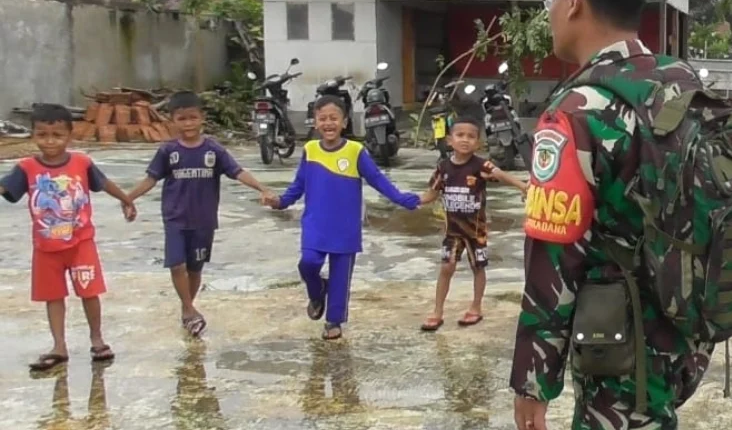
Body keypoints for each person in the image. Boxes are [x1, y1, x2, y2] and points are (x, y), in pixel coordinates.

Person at [510, 0, 720, 430]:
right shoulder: (681, 85)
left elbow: (553, 261)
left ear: (574, 0)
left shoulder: (577, 110)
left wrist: (533, 380)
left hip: (622, 349)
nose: (549, 10)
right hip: (686, 328)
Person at [266, 95, 422, 340]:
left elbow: (377, 180)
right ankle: (317, 294)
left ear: (345, 122)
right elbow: (299, 184)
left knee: (340, 276)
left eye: (333, 118)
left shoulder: (355, 151)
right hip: (315, 224)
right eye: (322, 119)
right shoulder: (310, 150)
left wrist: (401, 198)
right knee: (308, 264)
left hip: (346, 226)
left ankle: (334, 321)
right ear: (315, 123)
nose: (328, 123)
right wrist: (281, 201)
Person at [126, 91, 277, 337]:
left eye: (192, 118)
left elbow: (237, 171)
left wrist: (262, 188)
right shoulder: (168, 151)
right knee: (176, 264)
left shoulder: (213, 150)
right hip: (175, 218)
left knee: (195, 269)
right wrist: (128, 199)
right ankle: (188, 310)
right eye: (181, 118)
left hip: (204, 220)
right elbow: (151, 179)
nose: (188, 124)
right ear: (172, 121)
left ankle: (188, 307)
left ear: (202, 119)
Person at [0, 103, 137, 370]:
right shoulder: (26, 168)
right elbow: (6, 189)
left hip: (80, 243)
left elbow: (103, 183)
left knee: (90, 292)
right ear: (33, 135)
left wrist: (126, 199)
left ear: (69, 136)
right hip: (45, 247)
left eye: (57, 135)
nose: (50, 141)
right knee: (53, 296)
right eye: (42, 135)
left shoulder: (82, 163)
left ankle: (97, 340)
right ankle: (59, 345)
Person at [418, 115, 528, 331]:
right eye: (460, 135)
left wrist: (523, 186)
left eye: (471, 136)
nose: (465, 140)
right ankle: (437, 312)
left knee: (478, 268)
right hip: (452, 232)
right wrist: (409, 200)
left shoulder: (480, 165)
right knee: (446, 267)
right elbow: (431, 193)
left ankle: (476, 307)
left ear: (478, 143)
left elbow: (501, 174)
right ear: (450, 140)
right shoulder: (444, 167)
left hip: (476, 232)